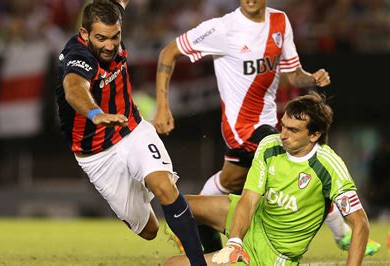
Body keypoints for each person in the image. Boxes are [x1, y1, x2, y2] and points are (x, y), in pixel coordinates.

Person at [153, 0, 380, 255]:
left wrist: (311, 78)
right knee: (299, 161)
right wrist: (162, 105)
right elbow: (168, 52)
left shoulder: (280, 22)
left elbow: (294, 74)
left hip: (269, 122)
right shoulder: (223, 28)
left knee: (230, 178)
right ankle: (342, 233)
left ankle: (188, 220)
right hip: (241, 127)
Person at [55, 1, 206, 265]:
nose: (110, 45)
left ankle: (198, 262)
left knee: (164, 186)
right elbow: (74, 88)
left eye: (115, 37)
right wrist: (95, 113)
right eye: (101, 38)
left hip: (132, 130)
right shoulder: (78, 57)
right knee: (150, 231)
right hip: (97, 157)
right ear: (84, 34)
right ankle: (144, 195)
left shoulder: (112, 16)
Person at [164, 91, 371, 265]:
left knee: (170, 264)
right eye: (283, 126)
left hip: (272, 254)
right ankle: (220, 252)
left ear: (314, 135)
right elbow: (249, 198)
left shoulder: (329, 166)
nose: (283, 135)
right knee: (185, 206)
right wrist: (235, 242)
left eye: (293, 130)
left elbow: (360, 223)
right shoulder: (270, 145)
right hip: (257, 220)